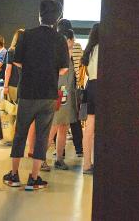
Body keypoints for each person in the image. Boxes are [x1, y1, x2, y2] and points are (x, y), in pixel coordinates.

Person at [3, 0, 71, 191]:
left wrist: (32, 68)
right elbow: (64, 70)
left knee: (20, 133)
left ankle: (14, 175)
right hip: (48, 94)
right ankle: (34, 178)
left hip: (27, 92)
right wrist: (49, 70)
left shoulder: (26, 35)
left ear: (39, 15)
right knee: (42, 136)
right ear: (57, 18)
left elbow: (17, 62)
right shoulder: (60, 40)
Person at [49, 29, 79, 170]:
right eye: (73, 39)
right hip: (61, 94)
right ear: (68, 40)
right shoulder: (62, 56)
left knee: (62, 126)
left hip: (64, 94)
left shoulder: (66, 55)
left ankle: (59, 158)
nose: (74, 42)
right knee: (55, 126)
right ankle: (41, 159)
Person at [56, 19, 84, 157]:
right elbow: (81, 66)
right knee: (74, 118)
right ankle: (79, 148)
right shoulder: (77, 46)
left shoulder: (56, 47)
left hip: (60, 87)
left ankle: (60, 151)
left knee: (58, 120)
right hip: (74, 87)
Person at [81, 23, 99, 175]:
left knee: (89, 127)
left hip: (91, 87)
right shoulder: (104, 49)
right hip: (102, 87)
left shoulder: (89, 50)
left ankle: (86, 163)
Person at [3, 29, 25, 101]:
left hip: (12, 84)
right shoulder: (27, 52)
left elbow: (8, 69)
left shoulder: (11, 51)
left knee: (11, 109)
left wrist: (5, 86)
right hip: (23, 85)